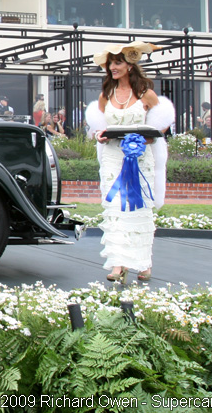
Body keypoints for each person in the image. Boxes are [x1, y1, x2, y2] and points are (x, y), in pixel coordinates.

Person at [86, 40, 174, 284]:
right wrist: (101, 137)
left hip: (138, 158)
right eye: (110, 63)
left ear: (130, 66)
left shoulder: (146, 95)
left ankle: (143, 262)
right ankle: (118, 264)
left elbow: (163, 123)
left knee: (137, 209)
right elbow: (99, 128)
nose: (113, 67)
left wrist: (145, 138)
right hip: (113, 157)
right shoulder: (106, 95)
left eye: (117, 62)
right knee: (115, 209)